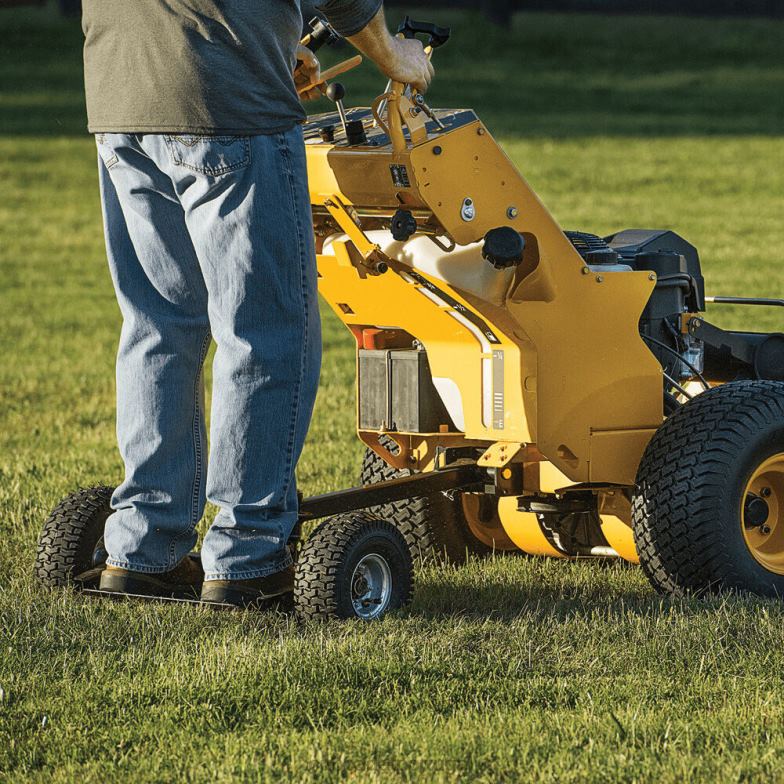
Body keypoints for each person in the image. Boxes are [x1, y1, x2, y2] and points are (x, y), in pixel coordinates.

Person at [82, 0, 434, 607]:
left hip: (121, 91)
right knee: (263, 330)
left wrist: (269, 43)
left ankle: (141, 548)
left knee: (159, 326)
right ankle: (246, 557)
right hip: (226, 99)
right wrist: (393, 53)